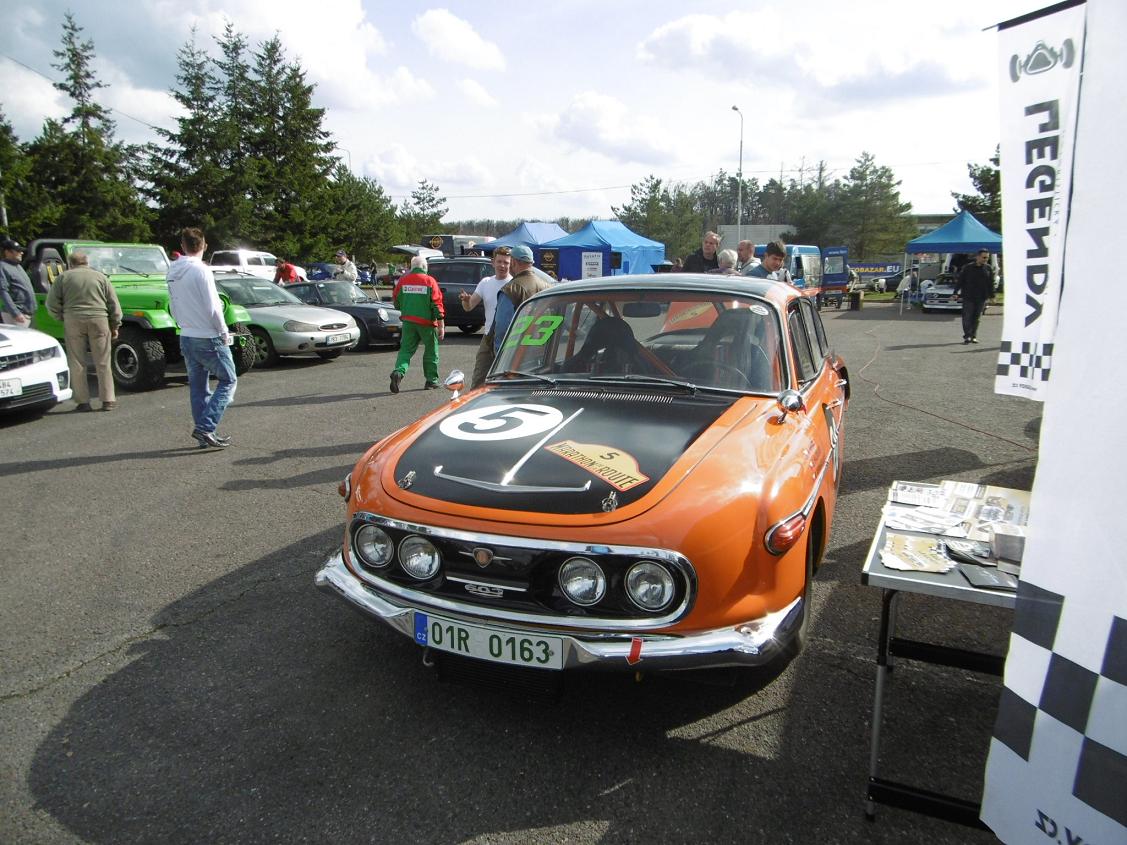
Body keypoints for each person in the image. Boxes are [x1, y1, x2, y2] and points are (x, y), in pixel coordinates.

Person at [167, 227, 237, 448]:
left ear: (182, 246)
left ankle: (205, 434)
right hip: (208, 336)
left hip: (187, 335)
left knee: (198, 387)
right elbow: (213, 307)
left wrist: (183, 324)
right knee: (228, 380)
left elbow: (173, 305)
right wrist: (223, 331)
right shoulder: (202, 271)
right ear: (204, 246)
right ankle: (206, 427)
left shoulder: (172, 271)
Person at [45, 251, 122, 412]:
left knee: (77, 361)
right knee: (103, 361)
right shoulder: (101, 277)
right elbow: (113, 304)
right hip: (99, 318)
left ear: (70, 263)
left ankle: (83, 402)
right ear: (87, 262)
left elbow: (51, 303)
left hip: (73, 319)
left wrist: (61, 316)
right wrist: (115, 325)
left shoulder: (63, 278)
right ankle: (108, 400)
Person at [390, 255, 445, 393]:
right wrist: (441, 324)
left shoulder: (403, 281)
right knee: (431, 351)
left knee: (405, 350)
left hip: (408, 322)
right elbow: (437, 304)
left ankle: (398, 372)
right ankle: (431, 380)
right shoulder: (430, 281)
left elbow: (396, 302)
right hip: (427, 323)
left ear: (412, 267)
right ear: (425, 267)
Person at [459, 245, 512, 388]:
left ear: (511, 264)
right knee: (479, 378)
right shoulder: (485, 282)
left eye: (506, 262)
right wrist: (466, 300)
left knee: (506, 379)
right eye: (499, 261)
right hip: (488, 337)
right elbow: (469, 306)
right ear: (493, 262)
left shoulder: (514, 284)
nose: (502, 265)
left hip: (509, 338)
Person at [493, 245, 550, 355]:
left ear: (513, 262)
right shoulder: (547, 286)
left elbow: (502, 327)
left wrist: (500, 354)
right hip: (542, 351)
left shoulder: (511, 289)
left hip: (516, 355)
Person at [953, 249, 995, 344]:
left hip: (981, 297)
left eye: (987, 258)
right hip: (968, 296)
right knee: (967, 317)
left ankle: (973, 336)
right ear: (978, 257)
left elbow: (990, 283)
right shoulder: (968, 268)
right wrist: (955, 292)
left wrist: (992, 296)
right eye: (984, 257)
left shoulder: (988, 268)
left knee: (977, 318)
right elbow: (960, 281)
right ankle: (967, 336)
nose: (986, 259)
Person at [1, 239, 36, 326]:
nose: (21, 253)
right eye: (18, 251)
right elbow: (3, 291)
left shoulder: (18, 266)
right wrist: (15, 313)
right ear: (7, 252)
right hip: (16, 315)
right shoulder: (2, 267)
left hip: (27, 314)